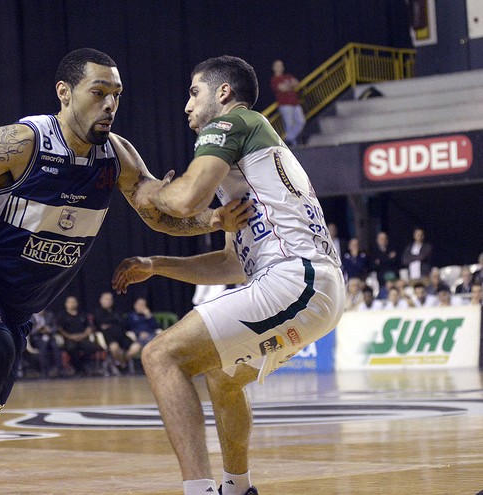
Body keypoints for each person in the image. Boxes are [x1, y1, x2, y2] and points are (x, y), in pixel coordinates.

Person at [0, 48, 248, 495]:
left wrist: (213, 219)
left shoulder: (117, 157)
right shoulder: (24, 142)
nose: (110, 104)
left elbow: (159, 212)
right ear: (65, 93)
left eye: (116, 94)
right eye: (99, 92)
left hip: (15, 311)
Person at [113, 55, 344, 495]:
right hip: (306, 286)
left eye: (194, 92)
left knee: (160, 356)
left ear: (223, 93)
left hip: (296, 280)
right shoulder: (249, 165)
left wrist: (152, 190)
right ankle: (238, 488)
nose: (186, 106)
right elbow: (231, 265)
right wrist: (157, 265)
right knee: (223, 375)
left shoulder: (235, 122)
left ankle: (198, 491)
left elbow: (182, 202)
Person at [94, 291, 140, 372]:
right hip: (109, 336)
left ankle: (122, 361)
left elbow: (123, 322)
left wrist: (111, 323)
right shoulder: (98, 312)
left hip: (122, 335)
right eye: (106, 299)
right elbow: (100, 323)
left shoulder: (117, 310)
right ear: (101, 300)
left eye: (110, 299)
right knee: (114, 348)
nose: (108, 301)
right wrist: (114, 321)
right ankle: (122, 364)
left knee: (137, 346)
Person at [56, 295, 99, 376]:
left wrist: (83, 335)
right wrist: (70, 337)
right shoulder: (62, 316)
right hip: (69, 339)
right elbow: (60, 330)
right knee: (71, 348)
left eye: (74, 302)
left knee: (91, 347)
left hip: (83, 338)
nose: (72, 304)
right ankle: (78, 368)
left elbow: (89, 327)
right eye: (70, 302)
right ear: (66, 304)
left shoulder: (82, 314)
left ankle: (85, 366)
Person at [270, 59, 305, 147]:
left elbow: (297, 84)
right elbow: (282, 88)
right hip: (285, 105)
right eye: (277, 65)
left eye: (281, 65)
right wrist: (291, 85)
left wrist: (289, 85)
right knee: (289, 125)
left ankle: (288, 140)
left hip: (295, 103)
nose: (280, 67)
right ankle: (293, 145)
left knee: (301, 121)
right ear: (274, 68)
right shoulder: (275, 79)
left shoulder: (288, 76)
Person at [28, 309, 66, 378]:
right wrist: (38, 330)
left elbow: (55, 327)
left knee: (56, 347)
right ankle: (44, 372)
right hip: (37, 337)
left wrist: (49, 330)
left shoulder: (50, 315)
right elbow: (29, 331)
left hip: (50, 336)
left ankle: (60, 371)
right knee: (43, 347)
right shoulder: (30, 317)